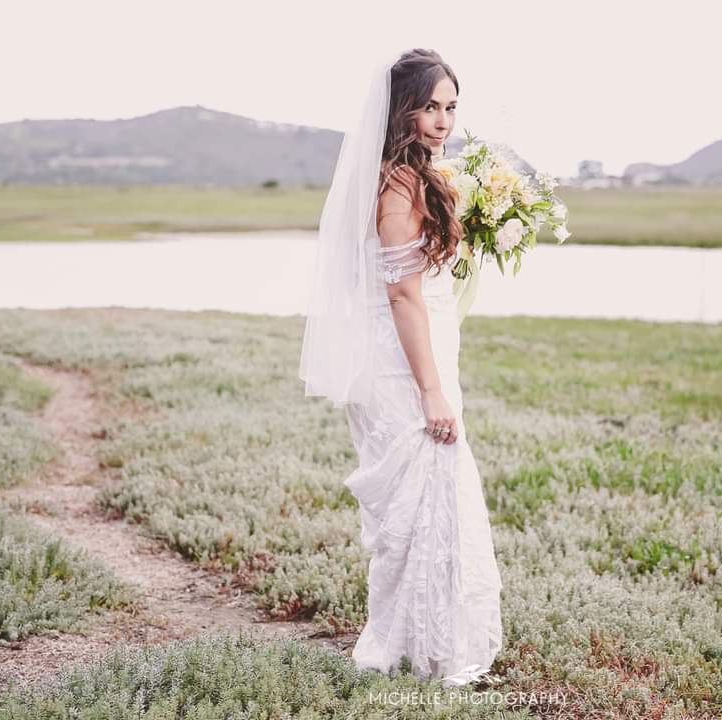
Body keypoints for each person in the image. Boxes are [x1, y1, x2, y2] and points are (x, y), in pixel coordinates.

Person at [298, 48, 503, 689]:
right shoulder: (396, 184)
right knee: (417, 506)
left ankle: (428, 644)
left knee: (433, 503)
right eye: (429, 107)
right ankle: (409, 648)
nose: (442, 121)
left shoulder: (423, 176)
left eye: (450, 107)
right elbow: (402, 293)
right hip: (404, 368)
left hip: (427, 349)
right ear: (401, 111)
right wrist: (432, 390)